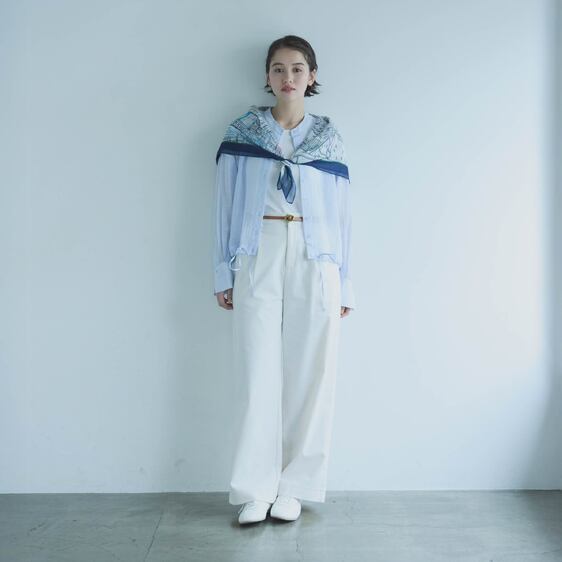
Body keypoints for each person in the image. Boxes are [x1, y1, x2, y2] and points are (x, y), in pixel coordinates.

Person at [212, 34, 356, 525]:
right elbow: (224, 205)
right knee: (255, 371)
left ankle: (295, 487)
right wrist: (222, 271)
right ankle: (255, 489)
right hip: (258, 252)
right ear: (267, 76)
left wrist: (346, 283)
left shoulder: (329, 139)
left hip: (318, 259)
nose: (287, 77)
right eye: (278, 68)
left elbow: (343, 216)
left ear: (311, 77)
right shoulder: (243, 134)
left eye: (297, 69)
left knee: (312, 372)